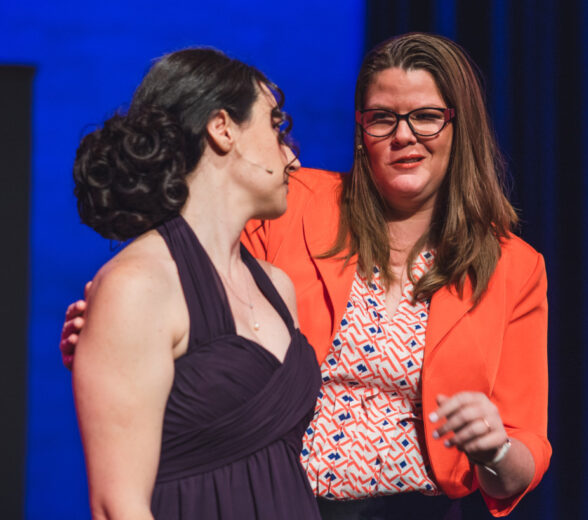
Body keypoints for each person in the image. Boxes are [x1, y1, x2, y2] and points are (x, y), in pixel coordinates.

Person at [63, 33, 550, 519]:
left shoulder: (513, 265)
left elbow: (524, 448)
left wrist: (495, 450)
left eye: (425, 117)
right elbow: (190, 276)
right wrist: (113, 334)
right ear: (361, 130)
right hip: (276, 498)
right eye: (383, 118)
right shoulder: (290, 205)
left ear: (459, 128)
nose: (404, 135)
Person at [68, 48, 322, 519]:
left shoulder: (278, 288)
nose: (293, 158)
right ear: (222, 128)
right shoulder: (139, 285)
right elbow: (116, 505)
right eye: (276, 124)